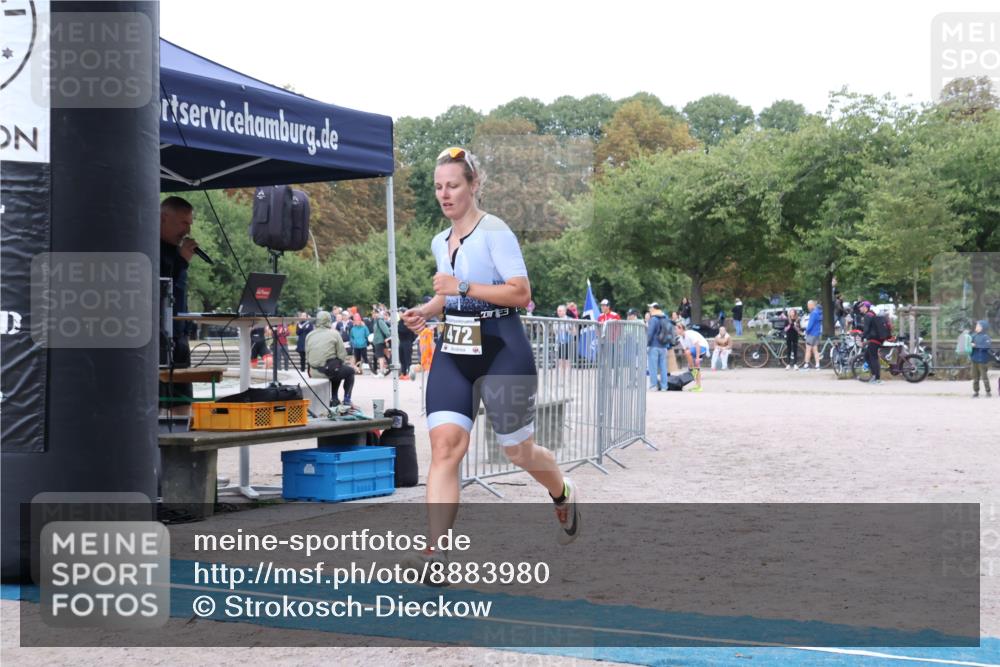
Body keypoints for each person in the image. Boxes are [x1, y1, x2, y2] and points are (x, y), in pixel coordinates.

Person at [400, 146, 580, 574]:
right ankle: (436, 555)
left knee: (517, 451)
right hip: (455, 350)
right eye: (439, 187)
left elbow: (520, 294)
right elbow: (448, 295)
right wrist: (427, 311)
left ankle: (561, 490)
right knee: (445, 448)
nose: (445, 195)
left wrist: (461, 286)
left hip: (503, 347)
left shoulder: (495, 231)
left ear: (473, 185)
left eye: (454, 186)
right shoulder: (438, 241)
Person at [159, 196, 198, 413]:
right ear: (164, 218)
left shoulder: (177, 250)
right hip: (158, 337)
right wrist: (182, 260)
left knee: (182, 402)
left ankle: (183, 439)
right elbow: (159, 285)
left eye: (190, 224)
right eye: (183, 223)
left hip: (179, 334)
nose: (187, 229)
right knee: (158, 402)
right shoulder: (149, 246)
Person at [306, 310, 357, 407]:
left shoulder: (309, 335)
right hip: (329, 370)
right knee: (348, 371)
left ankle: (334, 398)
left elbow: (307, 356)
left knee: (335, 367)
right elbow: (342, 355)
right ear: (329, 321)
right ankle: (346, 399)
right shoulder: (335, 334)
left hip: (313, 371)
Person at [675, 321, 708, 392]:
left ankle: (692, 369)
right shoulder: (681, 338)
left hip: (702, 347)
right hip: (693, 350)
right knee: (696, 367)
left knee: (694, 366)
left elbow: (697, 345)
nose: (675, 331)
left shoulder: (689, 334)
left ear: (681, 328)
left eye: (676, 329)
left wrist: (697, 357)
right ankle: (698, 386)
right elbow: (686, 349)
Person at [858, 301, 884, 385]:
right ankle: (874, 376)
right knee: (867, 356)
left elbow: (866, 329)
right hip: (876, 339)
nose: (860, 308)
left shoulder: (867, 316)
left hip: (874, 339)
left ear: (865, 307)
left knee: (873, 358)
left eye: (861, 307)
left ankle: (876, 378)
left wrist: (862, 338)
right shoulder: (872, 314)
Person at [646, 303, 671, 391]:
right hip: (664, 346)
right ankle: (664, 386)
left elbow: (650, 333)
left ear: (654, 308)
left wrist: (646, 344)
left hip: (654, 345)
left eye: (650, 307)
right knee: (663, 367)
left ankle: (654, 385)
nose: (649, 309)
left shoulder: (653, 319)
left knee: (653, 367)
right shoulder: (665, 317)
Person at [970, 320, 993, 398]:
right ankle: (976, 392)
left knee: (984, 377)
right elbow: (968, 344)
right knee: (975, 377)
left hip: (982, 360)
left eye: (978, 326)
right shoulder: (973, 336)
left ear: (982, 327)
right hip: (974, 359)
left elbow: (986, 346)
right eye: (976, 325)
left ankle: (988, 391)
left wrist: (975, 345)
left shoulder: (986, 337)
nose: (976, 327)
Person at [802, 299, 823, 370]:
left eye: (808, 305)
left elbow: (810, 324)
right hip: (817, 334)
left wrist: (806, 331)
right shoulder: (818, 312)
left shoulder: (813, 313)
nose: (808, 307)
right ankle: (817, 365)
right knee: (815, 350)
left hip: (811, 334)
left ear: (811, 305)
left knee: (808, 349)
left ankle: (806, 364)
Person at [397, 310, 417, 380]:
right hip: (401, 341)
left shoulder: (408, 322)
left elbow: (410, 332)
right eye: (399, 313)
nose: (399, 314)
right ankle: (403, 373)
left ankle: (409, 373)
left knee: (407, 358)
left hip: (407, 342)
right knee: (402, 358)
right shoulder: (399, 322)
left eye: (400, 313)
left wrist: (411, 341)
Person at [372, 309, 392, 376]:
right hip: (378, 341)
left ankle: (381, 372)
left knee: (381, 357)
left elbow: (386, 330)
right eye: (373, 313)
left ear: (378, 313)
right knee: (386, 356)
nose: (374, 314)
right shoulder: (376, 321)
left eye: (375, 313)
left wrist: (388, 337)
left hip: (380, 341)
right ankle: (390, 369)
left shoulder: (379, 321)